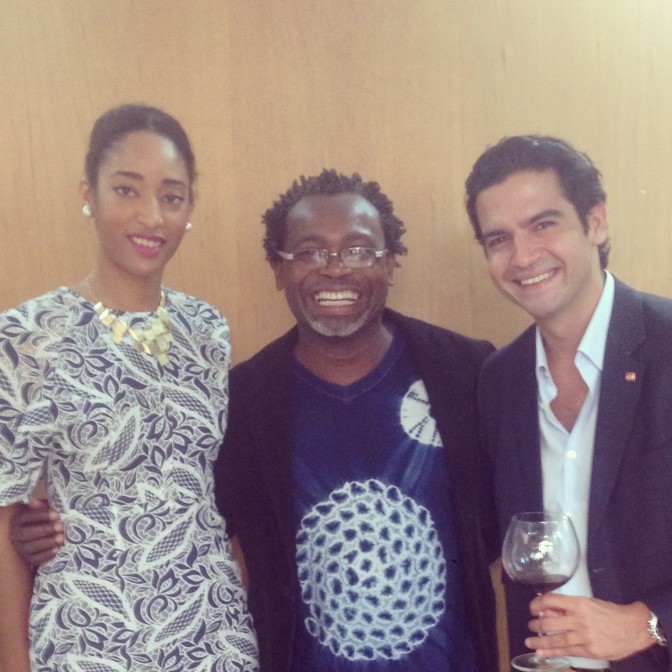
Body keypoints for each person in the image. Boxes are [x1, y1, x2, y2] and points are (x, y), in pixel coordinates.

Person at [0, 104, 258, 671]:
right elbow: (4, 516)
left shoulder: (208, 331)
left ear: (190, 208)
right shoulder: (26, 337)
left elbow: (210, 491)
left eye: (172, 196)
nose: (151, 216)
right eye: (126, 190)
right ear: (88, 194)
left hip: (209, 634)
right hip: (87, 636)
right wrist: (13, 661)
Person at [213, 169, 499, 671]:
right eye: (309, 252)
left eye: (359, 250)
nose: (334, 269)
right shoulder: (242, 402)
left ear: (389, 264)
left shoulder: (467, 372)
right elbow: (192, 526)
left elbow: (512, 518)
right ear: (278, 269)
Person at [465, 134, 672, 672]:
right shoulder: (498, 380)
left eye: (543, 224)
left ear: (595, 222)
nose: (522, 257)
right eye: (498, 239)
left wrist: (649, 623)